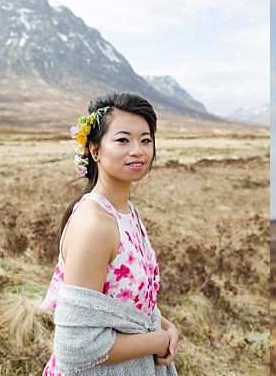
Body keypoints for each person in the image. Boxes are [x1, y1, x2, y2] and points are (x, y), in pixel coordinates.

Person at [41, 92, 179, 375]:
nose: (138, 150)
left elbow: (127, 305)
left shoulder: (126, 211)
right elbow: (74, 347)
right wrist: (156, 340)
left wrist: (166, 327)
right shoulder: (94, 225)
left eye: (146, 140)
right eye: (122, 140)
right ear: (95, 150)